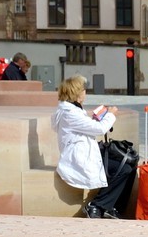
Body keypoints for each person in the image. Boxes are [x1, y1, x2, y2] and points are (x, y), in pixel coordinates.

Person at [52, 76, 138, 219]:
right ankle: (97, 205)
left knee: (129, 162)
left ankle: (113, 207)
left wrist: (95, 118)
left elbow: (87, 127)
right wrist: (110, 115)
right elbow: (100, 129)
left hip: (86, 151)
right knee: (124, 168)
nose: (85, 92)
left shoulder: (72, 110)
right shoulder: (69, 113)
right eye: (83, 90)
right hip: (80, 157)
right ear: (77, 93)